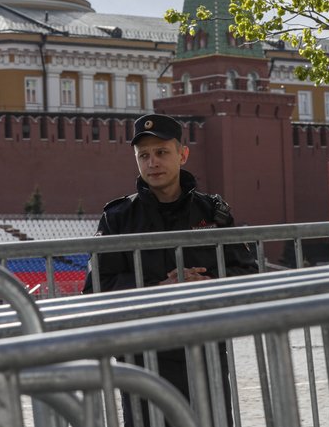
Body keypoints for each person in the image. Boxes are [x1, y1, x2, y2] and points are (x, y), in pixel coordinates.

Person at [83, 113, 257, 426]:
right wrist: (155, 289)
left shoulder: (213, 213)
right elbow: (96, 286)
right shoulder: (118, 219)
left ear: (182, 154)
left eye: (162, 152)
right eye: (144, 156)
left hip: (203, 356)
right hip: (140, 360)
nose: (152, 163)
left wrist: (207, 283)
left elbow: (247, 273)